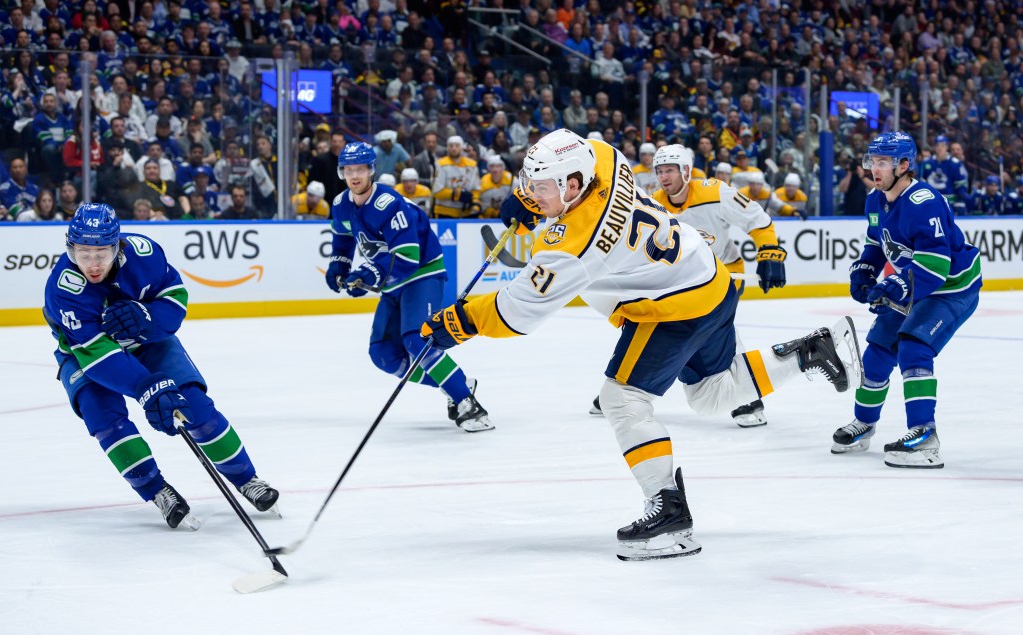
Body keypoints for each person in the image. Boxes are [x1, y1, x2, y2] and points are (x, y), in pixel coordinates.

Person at [421, 130, 862, 560]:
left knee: (622, 399)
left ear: (572, 185)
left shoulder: (574, 245)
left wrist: (458, 322)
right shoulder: (606, 159)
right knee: (714, 394)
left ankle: (669, 511)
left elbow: (516, 313)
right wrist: (537, 200)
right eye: (529, 183)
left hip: (671, 308)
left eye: (540, 187)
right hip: (710, 278)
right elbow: (582, 153)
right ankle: (812, 351)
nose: (531, 193)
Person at [43, 204, 280, 529]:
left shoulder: (144, 254)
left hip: (148, 341)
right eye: (84, 253)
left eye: (101, 253)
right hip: (84, 354)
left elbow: (176, 297)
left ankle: (247, 479)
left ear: (118, 245)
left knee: (194, 405)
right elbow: (96, 355)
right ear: (71, 249)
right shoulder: (63, 289)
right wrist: (146, 387)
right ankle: (157, 491)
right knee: (105, 420)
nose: (93, 264)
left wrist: (149, 317)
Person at [591, 144, 787, 428]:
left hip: (723, 276)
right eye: (659, 171)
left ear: (685, 170)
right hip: (678, 285)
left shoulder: (713, 192)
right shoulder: (652, 203)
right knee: (651, 327)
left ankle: (747, 399)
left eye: (669, 170)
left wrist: (769, 252)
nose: (663, 177)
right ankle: (627, 386)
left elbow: (757, 218)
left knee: (720, 331)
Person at [833, 132, 982, 469]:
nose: (875, 168)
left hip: (951, 287)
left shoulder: (924, 202)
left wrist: (895, 285)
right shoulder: (875, 199)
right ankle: (864, 424)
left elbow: (936, 266)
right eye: (872, 160)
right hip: (913, 284)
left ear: (904, 165)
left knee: (914, 346)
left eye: (883, 162)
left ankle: (925, 435)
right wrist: (865, 270)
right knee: (877, 352)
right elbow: (876, 242)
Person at [326, 143, 493, 432]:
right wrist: (339, 266)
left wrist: (368, 274)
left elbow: (407, 257)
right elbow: (343, 240)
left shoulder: (388, 203)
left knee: (418, 340)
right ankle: (456, 383)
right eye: (349, 170)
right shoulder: (341, 204)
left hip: (421, 275)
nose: (355, 175)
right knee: (382, 355)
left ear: (371, 170)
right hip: (392, 281)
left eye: (361, 169)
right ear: (342, 172)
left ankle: (469, 404)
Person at [431, 135, 481, 218]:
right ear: (447, 148)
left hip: (466, 212)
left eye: (457, 146)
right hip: (444, 212)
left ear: (461, 148)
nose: (454, 148)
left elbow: (476, 188)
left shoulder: (472, 165)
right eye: (451, 146)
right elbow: (436, 191)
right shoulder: (440, 164)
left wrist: (475, 202)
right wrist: (457, 194)